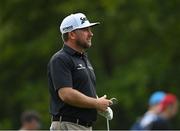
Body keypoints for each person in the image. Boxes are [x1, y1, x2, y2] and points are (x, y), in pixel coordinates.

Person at [47, 13, 112, 130]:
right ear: (72, 34)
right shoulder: (60, 59)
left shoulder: (83, 58)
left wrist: (99, 103)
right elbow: (66, 94)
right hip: (68, 125)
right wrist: (96, 103)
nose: (91, 34)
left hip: (83, 126)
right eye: (85, 30)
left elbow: (82, 90)